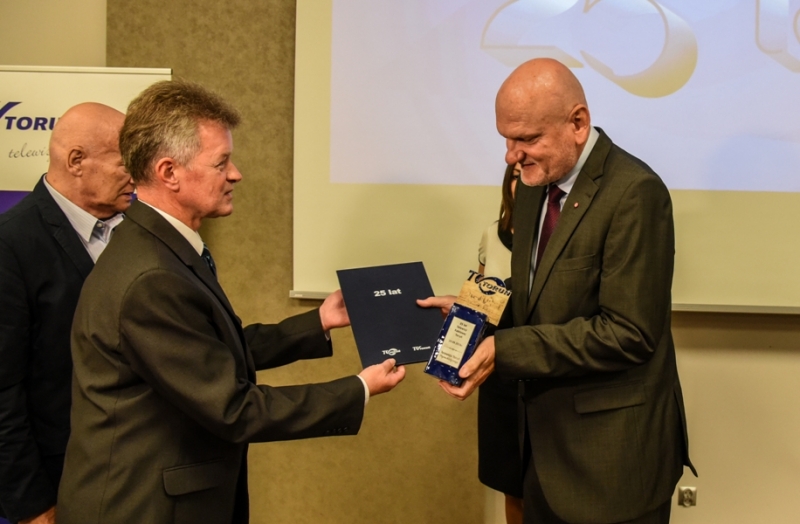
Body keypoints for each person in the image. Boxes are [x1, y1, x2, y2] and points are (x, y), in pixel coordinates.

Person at [57, 80, 405, 524]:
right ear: (169, 172)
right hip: (141, 509)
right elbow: (234, 408)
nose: (236, 174)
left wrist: (318, 320)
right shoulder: (152, 276)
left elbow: (209, 354)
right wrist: (358, 388)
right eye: (221, 162)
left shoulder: (158, 247)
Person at [420, 58, 695, 524]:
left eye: (527, 139)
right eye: (506, 139)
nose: (511, 156)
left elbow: (628, 333)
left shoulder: (635, 193)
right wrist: (477, 310)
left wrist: (504, 348)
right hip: (541, 456)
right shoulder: (535, 183)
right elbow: (540, 290)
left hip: (610, 466)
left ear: (578, 123)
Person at [0, 103, 132, 524]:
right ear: (77, 161)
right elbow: (3, 389)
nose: (136, 174)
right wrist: (32, 506)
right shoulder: (11, 245)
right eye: (125, 161)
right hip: (58, 484)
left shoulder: (138, 232)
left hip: (134, 477)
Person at [477, 163, 524, 524]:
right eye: (515, 174)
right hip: (500, 376)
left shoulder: (560, 235)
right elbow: (479, 304)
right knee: (513, 485)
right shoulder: (492, 235)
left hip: (543, 367)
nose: (521, 181)